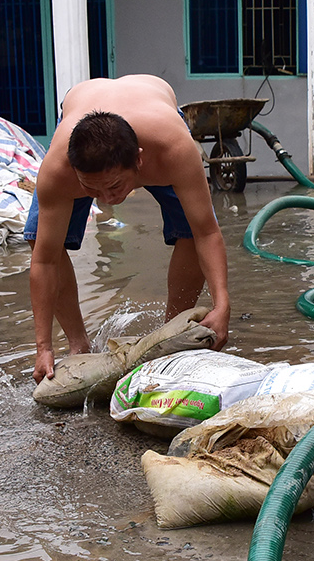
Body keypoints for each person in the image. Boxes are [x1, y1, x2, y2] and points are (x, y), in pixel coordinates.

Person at [26, 75, 230, 384]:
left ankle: (169, 336)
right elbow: (45, 261)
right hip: (81, 111)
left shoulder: (173, 149)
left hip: (155, 106)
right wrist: (43, 347)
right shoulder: (59, 170)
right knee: (40, 239)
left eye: (115, 186)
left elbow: (207, 232)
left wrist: (222, 304)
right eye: (91, 189)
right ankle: (78, 343)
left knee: (190, 229)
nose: (108, 200)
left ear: (139, 161)